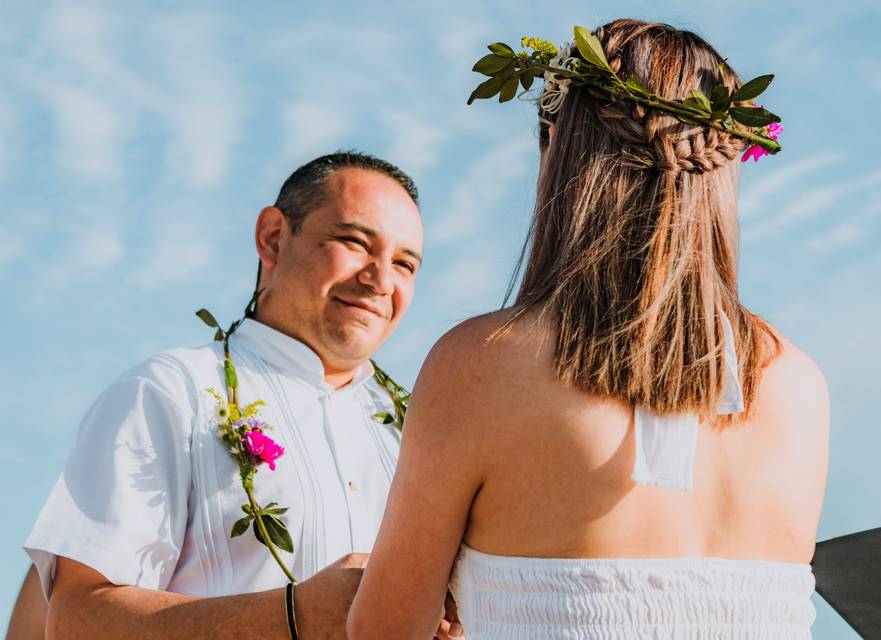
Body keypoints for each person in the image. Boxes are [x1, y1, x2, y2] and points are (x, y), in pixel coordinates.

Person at [347, 19, 830, 639]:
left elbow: (383, 633)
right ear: (721, 163)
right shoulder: (799, 386)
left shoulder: (482, 365)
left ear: (558, 145)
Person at [21, 151, 460, 639]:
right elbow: (76, 622)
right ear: (272, 238)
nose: (380, 281)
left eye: (404, 264)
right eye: (354, 242)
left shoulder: (427, 432)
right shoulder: (167, 393)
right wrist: (294, 616)